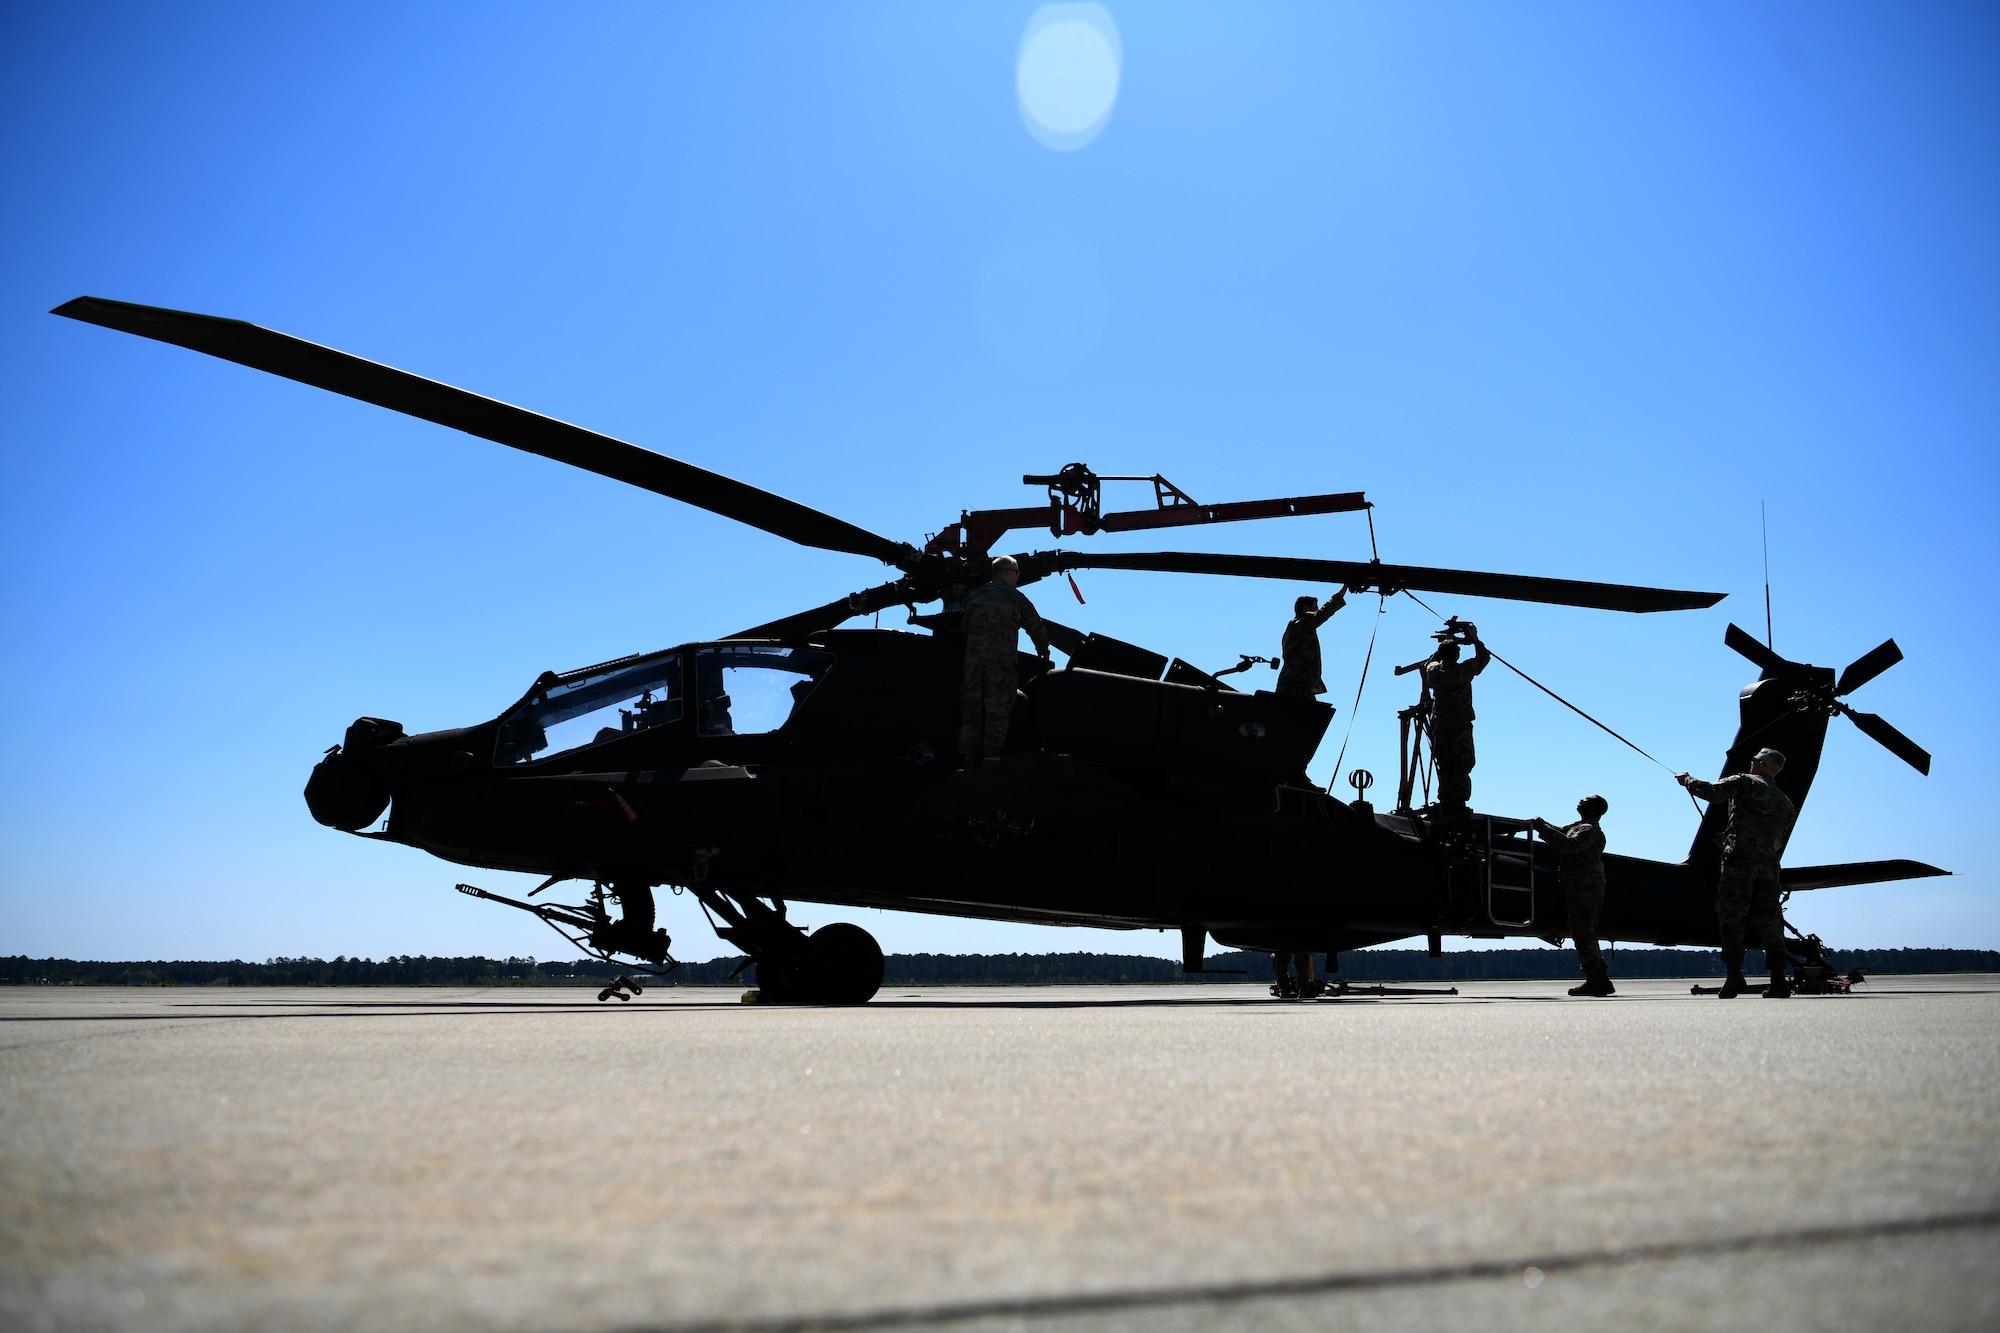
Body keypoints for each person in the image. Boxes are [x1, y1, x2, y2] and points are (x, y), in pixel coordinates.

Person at [1677, 748, 1797, 999]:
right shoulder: (1785, 802)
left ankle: (1734, 976)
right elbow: (1777, 838)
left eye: (1754, 759)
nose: (1751, 762)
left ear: (1762, 765)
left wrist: (1687, 780)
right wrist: (1734, 836)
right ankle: (1778, 981)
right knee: (1770, 920)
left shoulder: (1743, 780)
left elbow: (1711, 792)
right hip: (1768, 866)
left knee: (1731, 914)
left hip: (1739, 862)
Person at [959, 555, 1051, 768]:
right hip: (1000, 665)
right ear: (1009, 572)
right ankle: (991, 759)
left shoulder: (975, 597)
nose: (1018, 579)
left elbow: (965, 627)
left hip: (973, 665)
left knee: (971, 710)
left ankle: (967, 759)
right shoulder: (1015, 597)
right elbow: (1036, 627)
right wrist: (1043, 651)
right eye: (1017, 574)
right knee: (997, 709)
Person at [1532, 795, 1612, 996]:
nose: (1580, 801)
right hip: (1583, 883)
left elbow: (1570, 845)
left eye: (1586, 800)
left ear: (1594, 808)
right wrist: (1542, 824)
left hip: (1586, 885)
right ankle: (1601, 979)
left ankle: (1595, 980)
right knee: (1586, 930)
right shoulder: (1581, 826)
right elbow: (1561, 831)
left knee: (1582, 930)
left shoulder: (1588, 830)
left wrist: (1541, 828)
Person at [1423, 623, 1490, 812]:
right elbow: (1483, 658)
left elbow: (1429, 663)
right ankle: (1459, 801)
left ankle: (1446, 799)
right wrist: (1474, 638)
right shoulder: (1464, 671)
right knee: (1462, 762)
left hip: (1442, 723)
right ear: (1458, 654)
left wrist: (1444, 643)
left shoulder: (1435, 672)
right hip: (1461, 724)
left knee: (1444, 762)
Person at [1273, 588, 1348, 701]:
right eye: (1315, 609)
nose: (1316, 611)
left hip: (1294, 684)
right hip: (1296, 685)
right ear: (1306, 609)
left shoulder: (1294, 628)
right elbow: (1323, 613)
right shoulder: (1300, 624)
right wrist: (1344, 588)